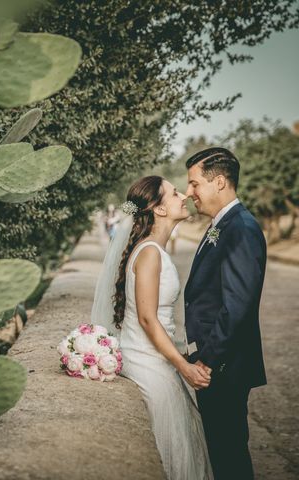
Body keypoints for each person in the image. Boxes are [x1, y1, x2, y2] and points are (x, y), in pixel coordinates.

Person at [90, 175, 213, 479]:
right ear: (158, 210)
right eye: (173, 193)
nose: (183, 194)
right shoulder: (149, 253)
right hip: (151, 367)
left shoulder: (154, 250)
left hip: (158, 361)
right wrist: (183, 366)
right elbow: (147, 318)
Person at [184, 147, 267, 480]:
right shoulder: (224, 223)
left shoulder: (241, 228)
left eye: (194, 184)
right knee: (220, 450)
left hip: (223, 365)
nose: (190, 194)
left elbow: (237, 304)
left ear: (219, 182)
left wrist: (206, 360)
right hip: (216, 362)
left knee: (229, 453)